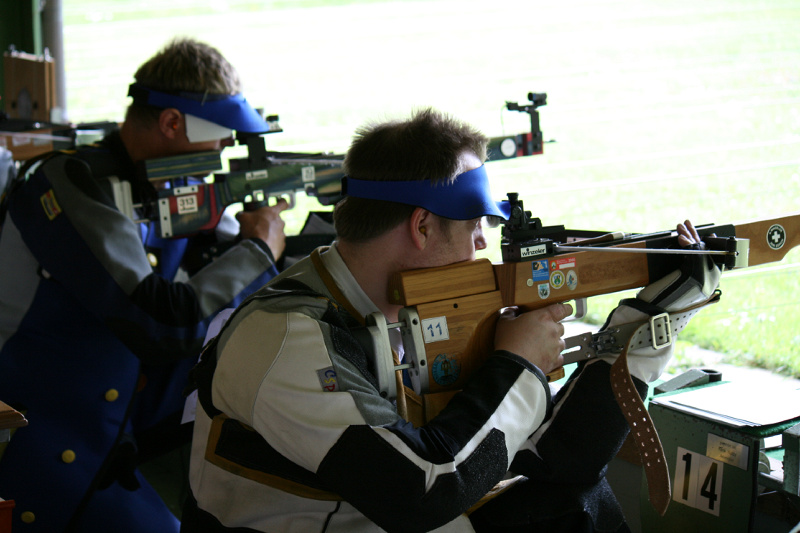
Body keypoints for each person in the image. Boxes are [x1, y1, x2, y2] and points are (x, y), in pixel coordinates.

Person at [182, 108, 720, 532]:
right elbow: (423, 492)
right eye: (476, 223)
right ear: (421, 226)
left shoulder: (409, 315)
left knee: (574, 504)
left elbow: (558, 459)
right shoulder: (283, 338)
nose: (483, 242)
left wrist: (650, 323)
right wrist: (518, 363)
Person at [0, 38, 287, 533]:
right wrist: (258, 250)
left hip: (112, 429)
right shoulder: (71, 181)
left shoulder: (162, 184)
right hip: (38, 440)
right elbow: (161, 322)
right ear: (172, 123)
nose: (224, 150)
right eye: (220, 135)